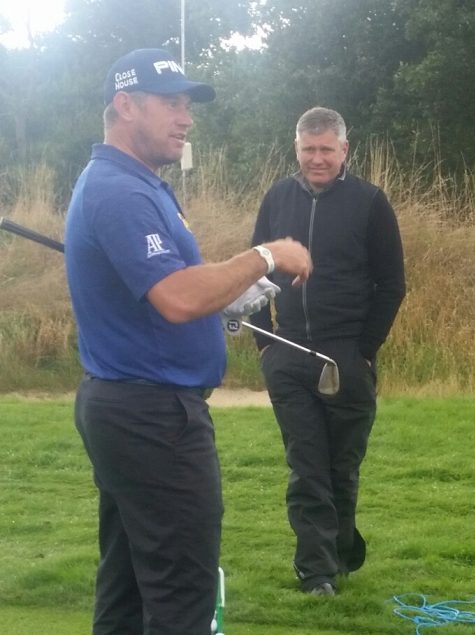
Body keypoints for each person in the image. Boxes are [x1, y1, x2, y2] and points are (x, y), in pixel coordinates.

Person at [65, 48, 313, 635]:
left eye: (187, 105)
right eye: (170, 104)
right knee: (181, 596)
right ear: (125, 105)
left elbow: (189, 292)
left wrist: (245, 284)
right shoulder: (120, 191)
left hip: (129, 408)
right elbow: (177, 298)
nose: (186, 118)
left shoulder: (135, 185)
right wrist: (266, 254)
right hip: (153, 418)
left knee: (126, 586)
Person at [249, 106, 406, 596]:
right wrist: (264, 342)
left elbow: (391, 284)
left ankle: (339, 554)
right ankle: (315, 571)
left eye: (326, 150)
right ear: (296, 149)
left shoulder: (369, 202)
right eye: (308, 149)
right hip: (288, 350)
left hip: (347, 356)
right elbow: (253, 271)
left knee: (342, 465)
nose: (317, 159)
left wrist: (363, 350)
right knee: (306, 464)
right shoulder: (277, 198)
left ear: (344, 150)